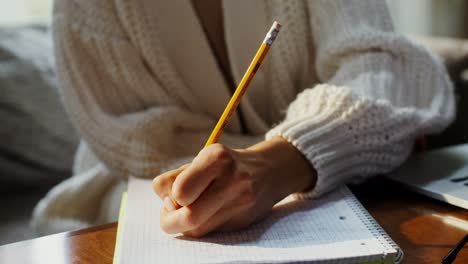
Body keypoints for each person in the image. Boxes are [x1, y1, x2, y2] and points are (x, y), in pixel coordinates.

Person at [32, 0, 455, 237]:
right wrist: (346, 135)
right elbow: (140, 144)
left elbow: (387, 72)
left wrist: (285, 159)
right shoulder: (85, 9)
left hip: (319, 202)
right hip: (131, 198)